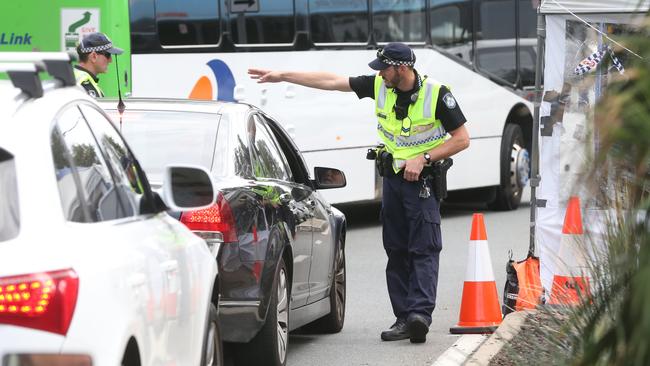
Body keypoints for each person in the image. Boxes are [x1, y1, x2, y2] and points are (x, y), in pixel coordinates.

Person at [248, 42, 470, 344]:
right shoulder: (381, 85)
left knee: (423, 248)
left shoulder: (437, 94)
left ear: (401, 68)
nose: (380, 74)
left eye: (385, 68)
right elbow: (332, 81)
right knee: (396, 248)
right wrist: (283, 75)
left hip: (423, 183)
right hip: (393, 181)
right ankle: (404, 318)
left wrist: (425, 157)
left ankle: (419, 315)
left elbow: (461, 139)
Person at [74, 32, 123, 97]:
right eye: (108, 55)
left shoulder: (74, 77)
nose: (110, 60)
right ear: (94, 56)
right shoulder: (85, 85)